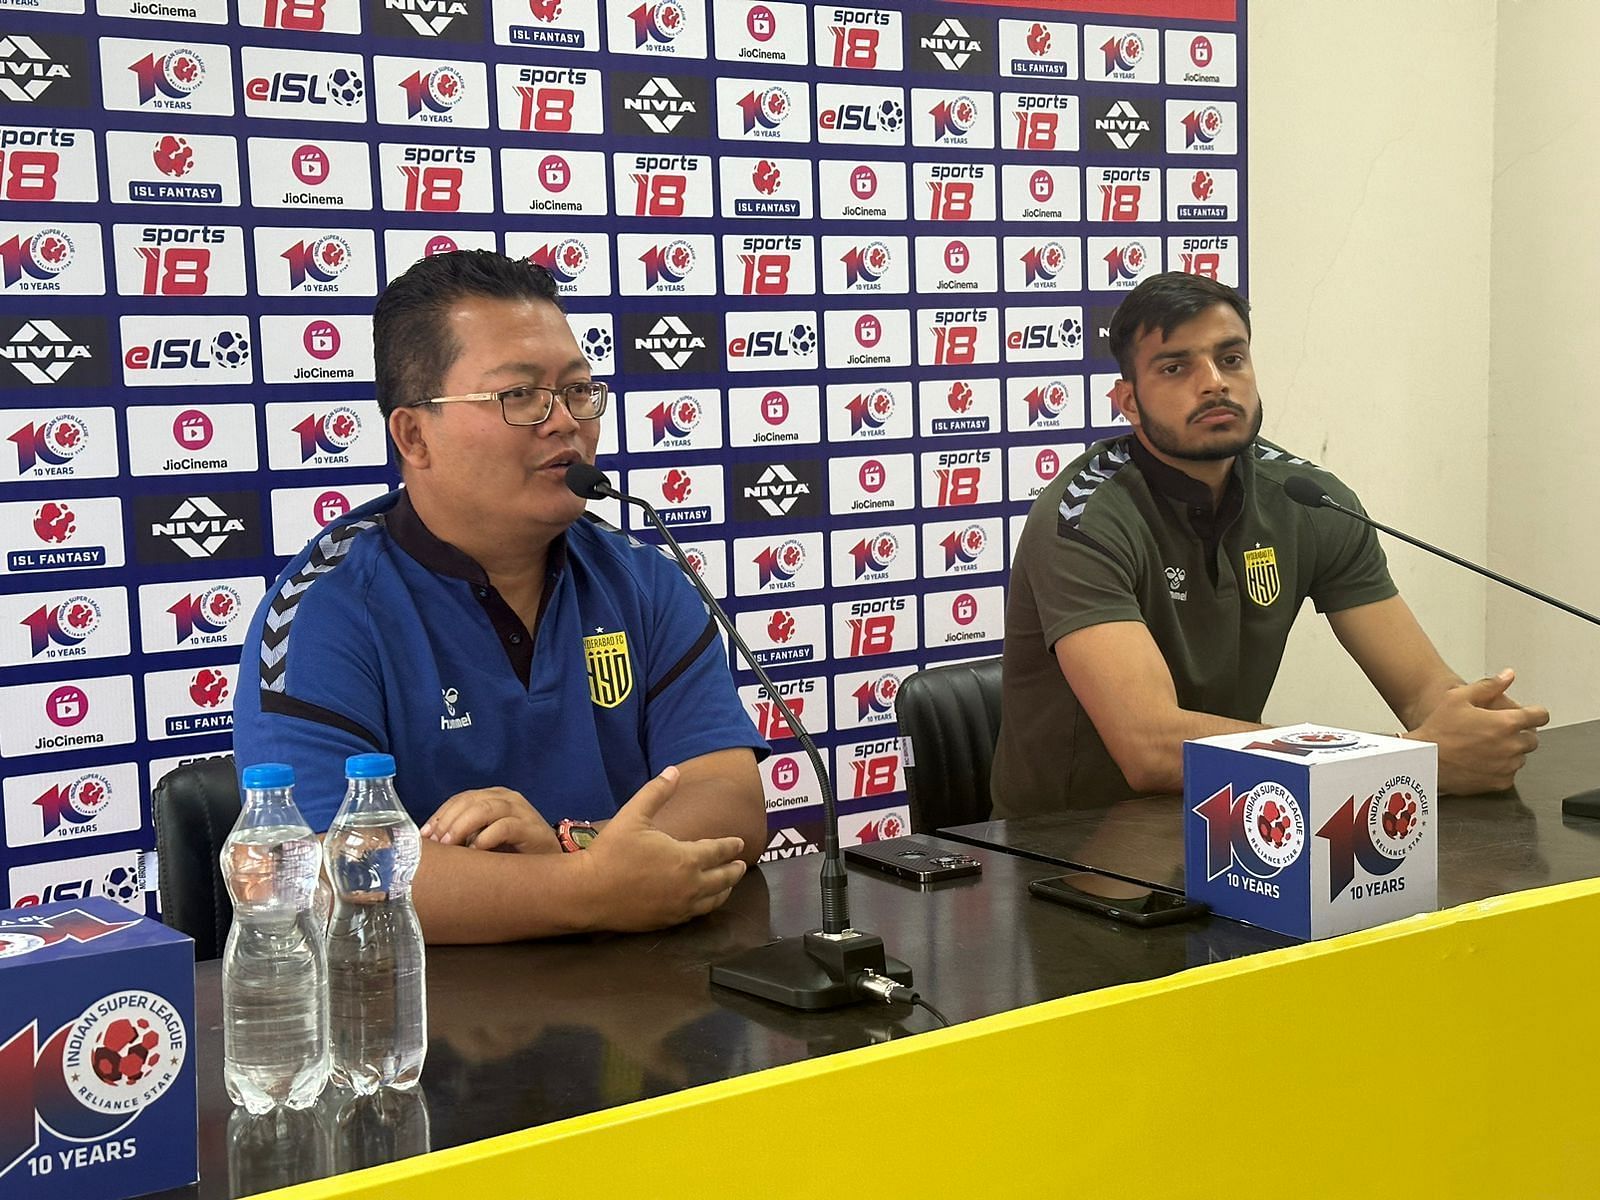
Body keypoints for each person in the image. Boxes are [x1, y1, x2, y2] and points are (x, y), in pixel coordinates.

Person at [232, 250, 768, 942]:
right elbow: (324, 870)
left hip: (647, 1009)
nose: (564, 422)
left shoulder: (643, 579)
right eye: (520, 396)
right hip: (419, 1027)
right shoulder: (325, 610)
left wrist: (567, 842)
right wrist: (586, 889)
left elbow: (728, 801)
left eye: (578, 390)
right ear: (414, 435)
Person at [992, 271, 1549, 816]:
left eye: (1231, 358)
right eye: (1175, 367)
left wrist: (1472, 723)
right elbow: (1152, 747)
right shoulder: (1082, 517)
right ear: (1129, 402)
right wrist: (1404, 760)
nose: (1213, 382)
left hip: (1234, 816)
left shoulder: (1309, 499)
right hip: (1060, 850)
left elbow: (1423, 687)